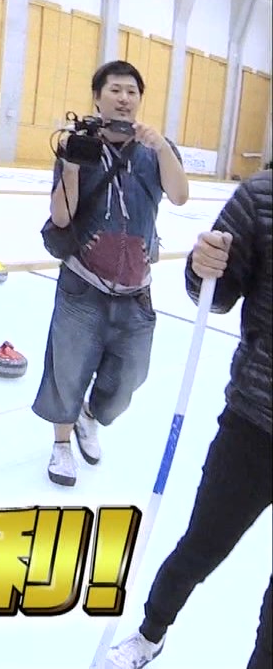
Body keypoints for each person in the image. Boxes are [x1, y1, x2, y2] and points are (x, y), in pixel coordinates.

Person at [104, 170, 271, 669]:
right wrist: (204, 267)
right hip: (254, 423)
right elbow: (212, 296)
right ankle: (150, 634)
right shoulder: (260, 198)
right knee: (201, 545)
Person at [34, 60, 190, 486]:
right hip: (82, 282)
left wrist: (162, 148)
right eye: (115, 90)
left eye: (131, 92)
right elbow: (61, 217)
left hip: (136, 289)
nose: (124, 99)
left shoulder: (155, 150)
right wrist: (70, 166)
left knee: (130, 377)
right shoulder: (80, 147)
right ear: (97, 97)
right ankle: (61, 444)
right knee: (67, 368)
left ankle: (92, 415)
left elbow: (179, 195)